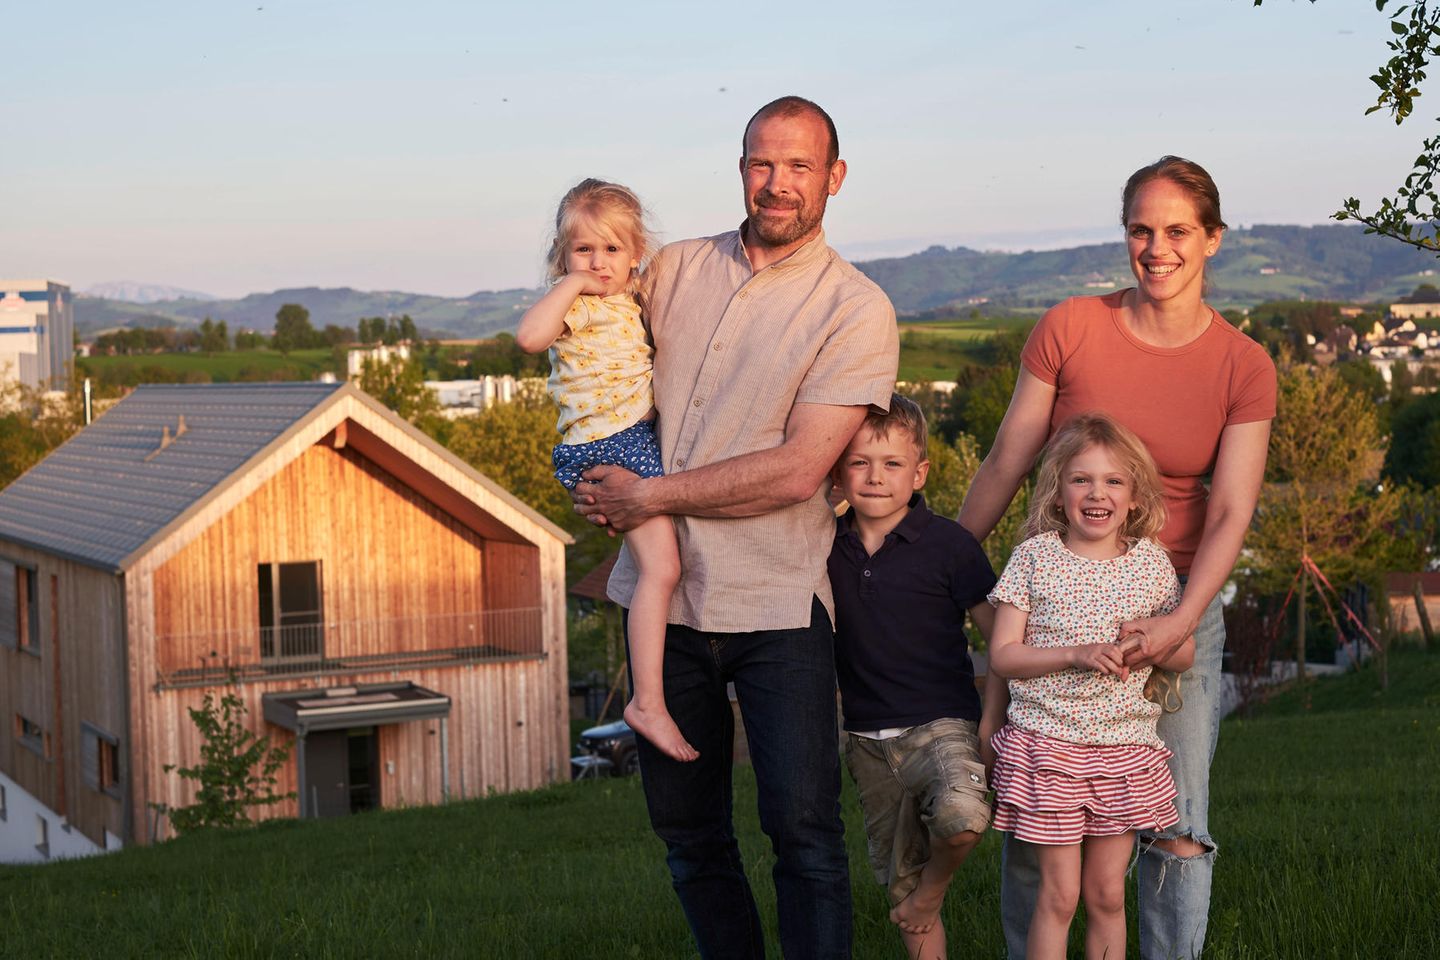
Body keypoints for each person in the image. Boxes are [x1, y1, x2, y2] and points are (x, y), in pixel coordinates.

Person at [573, 97, 899, 958]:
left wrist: (650, 496)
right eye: (762, 162)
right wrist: (591, 468)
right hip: (662, 598)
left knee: (805, 836)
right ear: (741, 167)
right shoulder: (673, 268)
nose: (778, 182)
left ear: (833, 178)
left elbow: (799, 470)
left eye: (799, 166)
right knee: (690, 841)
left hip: (777, 603)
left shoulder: (854, 308)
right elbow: (596, 358)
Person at [959, 156, 1277, 960]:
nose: (1157, 247)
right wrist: (951, 568)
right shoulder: (1071, 326)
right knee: (1044, 823)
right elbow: (1005, 460)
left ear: (1212, 239)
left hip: (1169, 615)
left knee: (1175, 819)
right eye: (1141, 229)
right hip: (1051, 613)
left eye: (1177, 231)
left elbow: (1232, 508)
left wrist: (1181, 620)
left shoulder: (1243, 365)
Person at [986, 413, 1193, 960]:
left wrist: (1150, 641)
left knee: (1106, 894)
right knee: (1060, 895)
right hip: (1050, 748)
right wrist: (1075, 654)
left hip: (1122, 753)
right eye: (1081, 479)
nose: (1097, 493)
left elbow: (1186, 650)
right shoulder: (1035, 557)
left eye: (1113, 481)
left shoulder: (1151, 563)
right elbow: (1003, 655)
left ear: (1134, 496)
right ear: (1058, 491)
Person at [515, 179, 697, 763]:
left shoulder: (629, 298)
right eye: (582, 250)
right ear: (563, 255)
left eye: (612, 250)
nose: (598, 262)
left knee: (666, 565)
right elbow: (527, 337)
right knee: (662, 570)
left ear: (636, 252)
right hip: (607, 447)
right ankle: (647, 701)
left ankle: (654, 694)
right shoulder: (579, 308)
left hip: (634, 439)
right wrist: (569, 286)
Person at [827, 393, 995, 960]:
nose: (875, 477)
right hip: (867, 743)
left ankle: (933, 891)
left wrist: (994, 721)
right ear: (836, 469)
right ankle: (919, 903)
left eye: (892, 464)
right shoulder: (822, 546)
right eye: (859, 462)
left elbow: (1003, 640)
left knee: (964, 817)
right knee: (900, 883)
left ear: (919, 471)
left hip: (942, 724)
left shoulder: (951, 546)